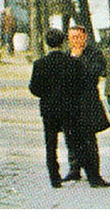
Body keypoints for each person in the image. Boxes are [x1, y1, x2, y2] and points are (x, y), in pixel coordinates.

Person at [61, 24, 110, 186]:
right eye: (71, 38)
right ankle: (74, 169)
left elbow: (99, 71)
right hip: (69, 103)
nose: (75, 41)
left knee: (88, 140)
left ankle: (94, 175)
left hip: (87, 102)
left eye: (78, 37)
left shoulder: (94, 53)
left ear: (84, 37)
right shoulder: (65, 55)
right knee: (70, 137)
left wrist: (79, 59)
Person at [28, 27, 74, 188]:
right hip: (69, 107)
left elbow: (34, 88)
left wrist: (46, 94)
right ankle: (76, 169)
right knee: (73, 140)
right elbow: (80, 84)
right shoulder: (71, 62)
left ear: (47, 44)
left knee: (50, 143)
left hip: (49, 108)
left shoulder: (40, 64)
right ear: (62, 43)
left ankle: (54, 177)